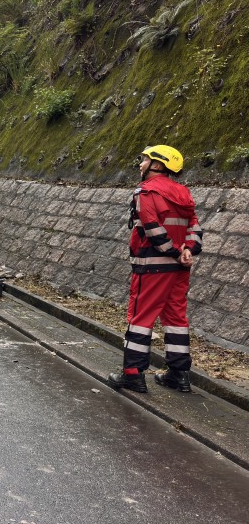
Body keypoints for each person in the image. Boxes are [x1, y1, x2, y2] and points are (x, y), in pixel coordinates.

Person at [108, 145, 203, 394]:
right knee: (176, 319)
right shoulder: (183, 193)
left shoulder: (146, 191)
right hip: (179, 269)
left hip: (151, 267)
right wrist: (188, 251)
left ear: (157, 165)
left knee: (140, 318)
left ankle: (132, 375)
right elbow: (194, 227)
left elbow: (152, 228)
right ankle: (179, 375)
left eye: (144, 160)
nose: (140, 164)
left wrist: (172, 251)